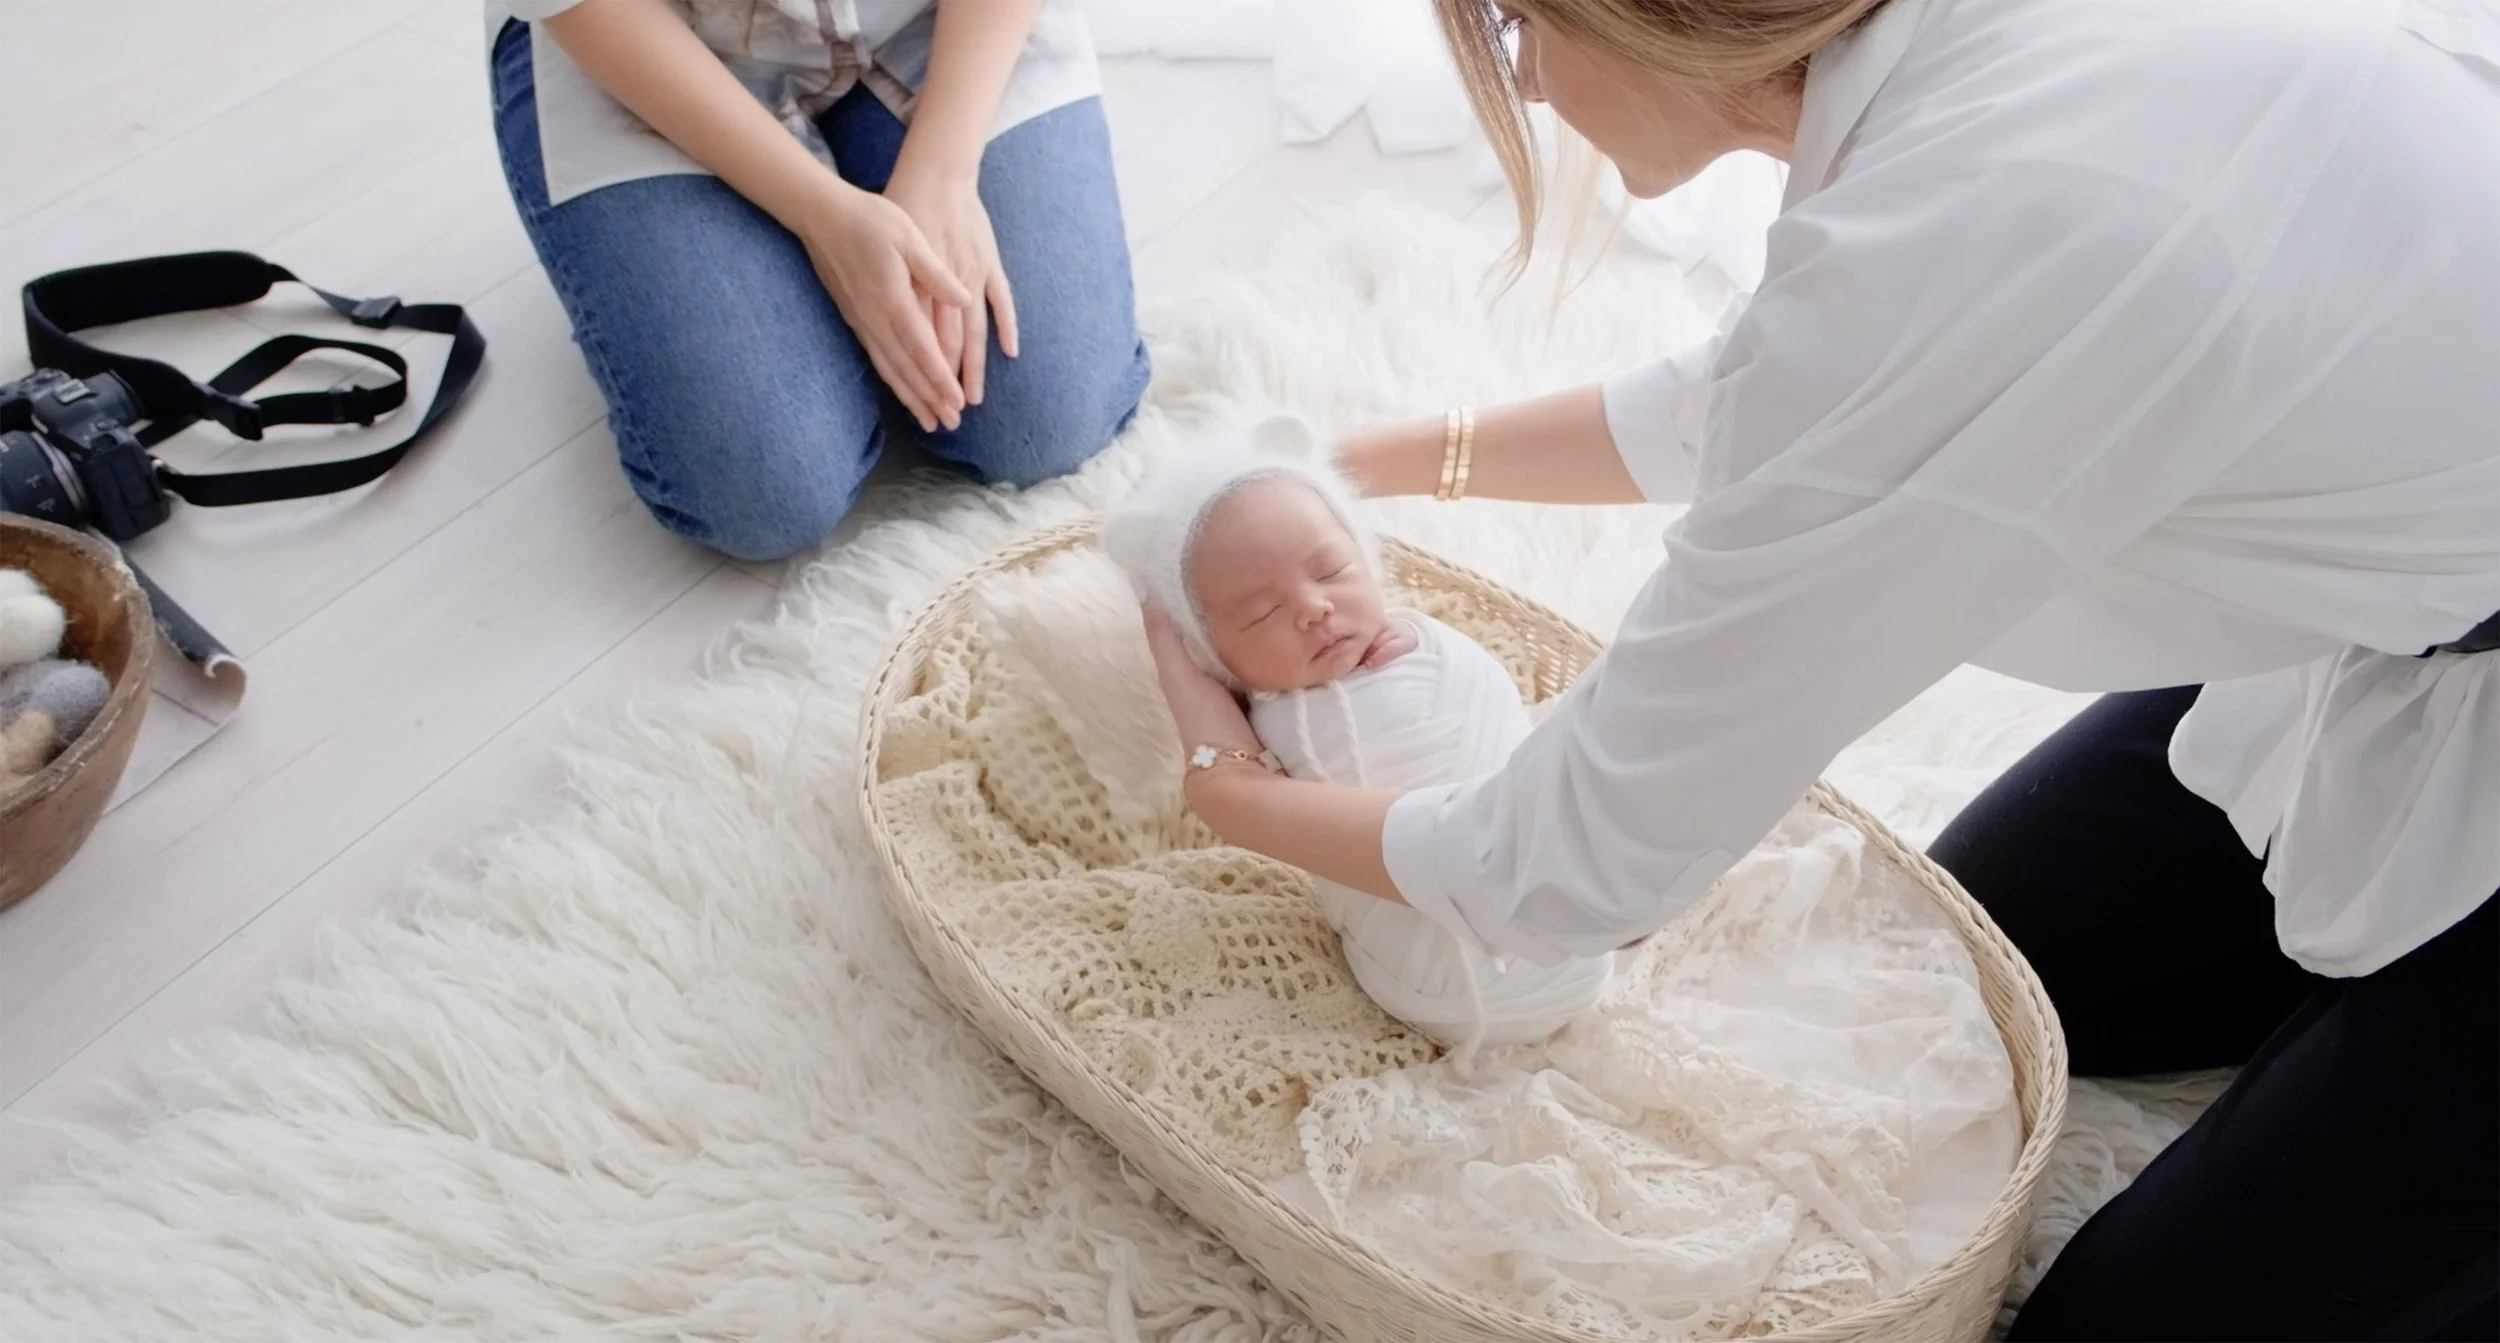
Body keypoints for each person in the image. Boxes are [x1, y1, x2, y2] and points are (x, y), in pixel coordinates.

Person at [1139, 0, 2500, 1338]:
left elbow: (1561, 868)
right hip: (2419, 585)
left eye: (1521, 32)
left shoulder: (1958, 252)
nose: (1533, 86)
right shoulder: (1944, 88)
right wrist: (1354, 468)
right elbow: (1751, 396)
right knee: (1985, 947)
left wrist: (1227, 782)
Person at [485, 0, 1149, 561]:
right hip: (662, 35)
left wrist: (943, 173)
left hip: (927, 17)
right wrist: (821, 219)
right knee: (766, 490)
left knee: (1047, 422)